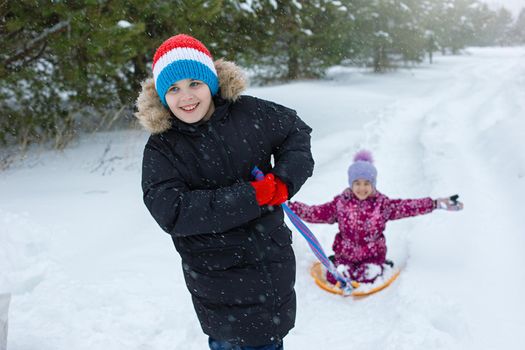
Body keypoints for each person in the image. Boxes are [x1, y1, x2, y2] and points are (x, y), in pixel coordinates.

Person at [136, 34, 314, 350]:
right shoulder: (163, 147)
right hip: (218, 282)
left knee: (271, 339)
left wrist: (284, 179)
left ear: (212, 82)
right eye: (173, 89)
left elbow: (295, 132)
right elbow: (172, 210)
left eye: (195, 83)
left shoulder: (249, 113)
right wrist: (252, 196)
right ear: (163, 96)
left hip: (271, 266)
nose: (186, 96)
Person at [288, 150, 463, 285]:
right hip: (345, 255)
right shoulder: (341, 204)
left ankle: (378, 267)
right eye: (357, 183)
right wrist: (293, 208)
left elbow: (408, 207)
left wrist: (435, 203)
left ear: (373, 185)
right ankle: (342, 267)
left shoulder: (382, 205)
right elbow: (317, 213)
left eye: (366, 183)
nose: (362, 188)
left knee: (367, 275)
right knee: (336, 277)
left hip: (372, 255)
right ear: (351, 184)